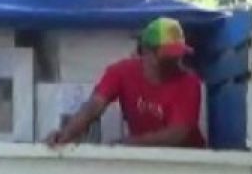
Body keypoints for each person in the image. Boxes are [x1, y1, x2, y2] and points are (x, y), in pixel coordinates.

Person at [46, 17, 205, 148]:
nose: (175, 61)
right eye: (168, 56)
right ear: (146, 51)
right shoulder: (121, 72)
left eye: (179, 55)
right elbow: (94, 106)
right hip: (145, 157)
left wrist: (128, 144)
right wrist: (66, 134)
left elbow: (177, 134)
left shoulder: (189, 82)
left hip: (187, 159)